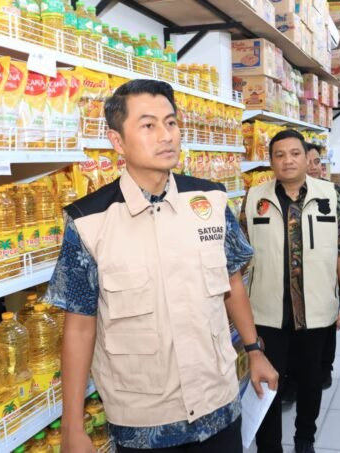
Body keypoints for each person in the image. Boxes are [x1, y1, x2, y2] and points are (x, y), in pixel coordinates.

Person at [50, 79, 278, 453]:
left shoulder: (211, 201)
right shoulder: (89, 221)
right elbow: (79, 326)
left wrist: (254, 350)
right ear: (117, 141)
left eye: (171, 123)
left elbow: (232, 282)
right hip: (143, 424)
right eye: (148, 125)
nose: (166, 135)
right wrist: (72, 427)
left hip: (219, 406)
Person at [241, 129, 340, 453]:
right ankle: (269, 446)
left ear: (307, 158)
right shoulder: (254, 198)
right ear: (270, 161)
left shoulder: (331, 196)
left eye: (295, 153)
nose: (287, 161)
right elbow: (240, 256)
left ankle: (305, 438)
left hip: (317, 312)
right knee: (269, 384)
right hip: (267, 312)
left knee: (310, 381)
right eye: (279, 155)